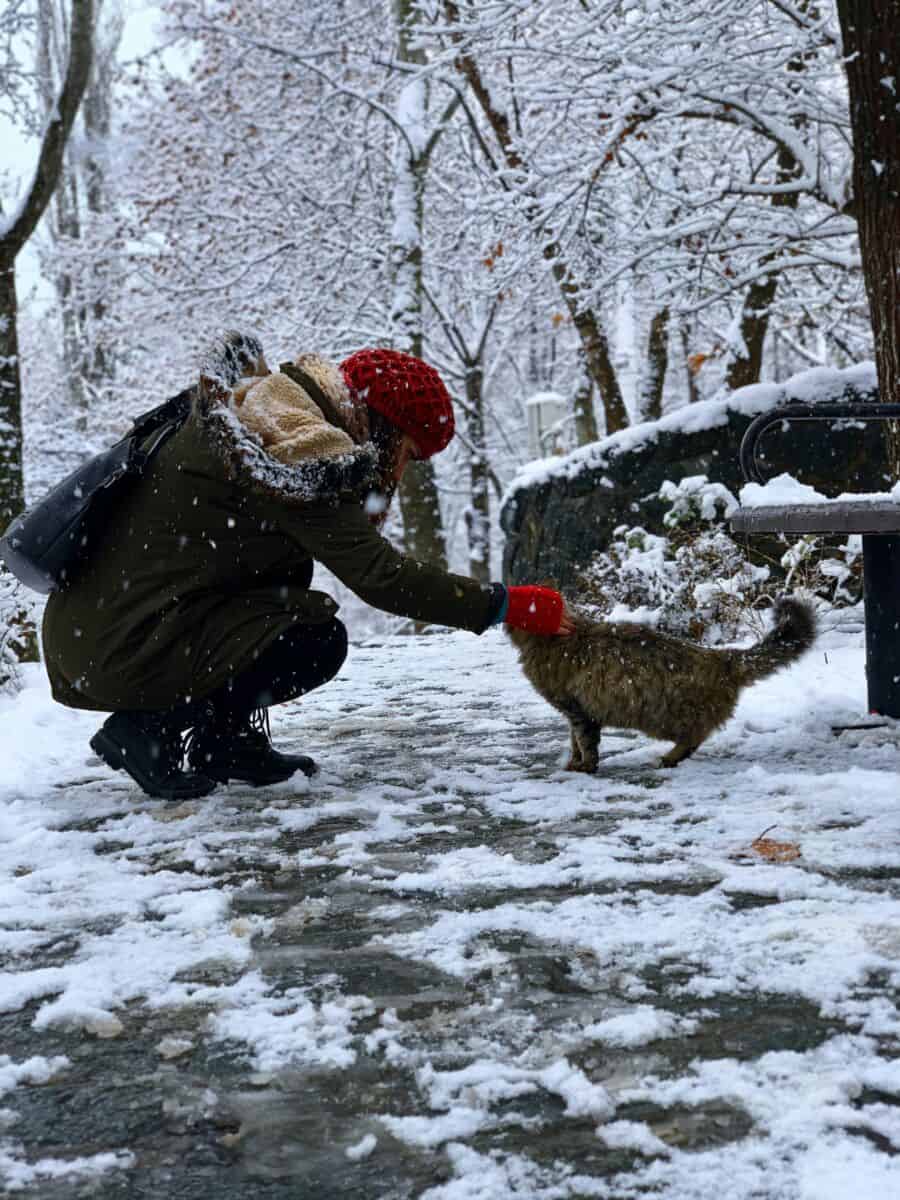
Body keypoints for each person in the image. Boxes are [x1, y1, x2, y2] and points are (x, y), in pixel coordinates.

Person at [41, 332, 573, 800]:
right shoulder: (296, 450)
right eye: (409, 453)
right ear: (386, 430)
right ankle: (150, 730)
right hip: (122, 641)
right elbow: (383, 579)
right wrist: (505, 603)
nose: (404, 472)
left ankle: (222, 745)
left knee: (291, 603)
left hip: (102, 630)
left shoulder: (267, 411)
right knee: (313, 640)